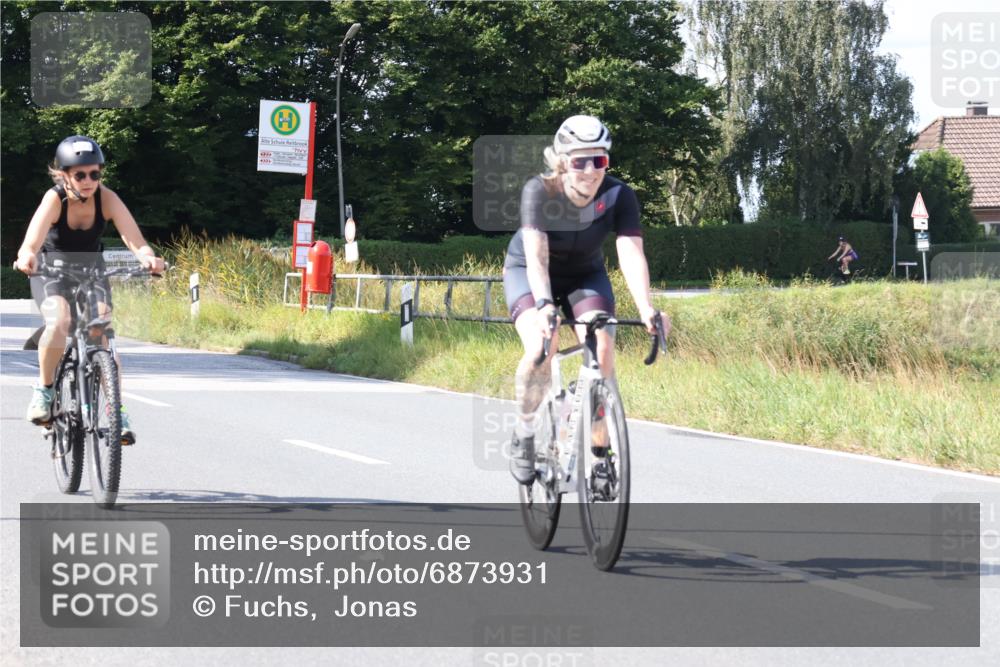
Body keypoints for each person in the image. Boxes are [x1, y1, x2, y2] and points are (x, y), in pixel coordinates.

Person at [502, 115, 670, 484]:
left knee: (603, 352)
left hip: (584, 276)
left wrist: (646, 308)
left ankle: (600, 457)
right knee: (542, 346)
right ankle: (526, 434)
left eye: (600, 160)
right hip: (530, 272)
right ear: (562, 161)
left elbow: (629, 252)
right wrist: (545, 304)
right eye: (580, 161)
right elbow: (536, 256)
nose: (591, 170)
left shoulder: (618, 195)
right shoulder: (540, 191)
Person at [13, 135, 165, 442]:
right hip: (51, 268)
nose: (88, 180)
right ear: (63, 174)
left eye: (94, 173)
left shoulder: (106, 198)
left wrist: (148, 258)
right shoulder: (54, 199)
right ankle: (44, 391)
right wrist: (26, 256)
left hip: (91, 270)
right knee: (59, 321)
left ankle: (116, 411)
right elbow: (32, 241)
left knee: (102, 332)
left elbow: (134, 240)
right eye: (80, 174)